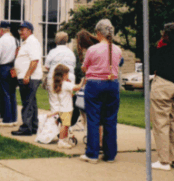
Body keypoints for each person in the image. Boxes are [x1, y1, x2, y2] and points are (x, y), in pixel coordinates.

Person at [79, 19, 122, 164]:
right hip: (113, 84)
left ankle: (92, 153)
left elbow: (85, 67)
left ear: (98, 33)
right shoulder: (117, 50)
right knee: (110, 119)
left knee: (93, 119)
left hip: (95, 85)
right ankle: (110, 155)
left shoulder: (93, 49)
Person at [150, 23, 174, 171]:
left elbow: (153, 65)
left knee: (161, 122)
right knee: (173, 122)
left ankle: (164, 160)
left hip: (164, 84)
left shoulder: (162, 50)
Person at [11, 21, 43, 136]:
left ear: (29, 30)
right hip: (27, 76)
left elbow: (34, 60)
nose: (20, 32)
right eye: (20, 30)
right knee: (31, 103)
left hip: (30, 77)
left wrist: (27, 75)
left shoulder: (32, 42)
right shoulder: (26, 43)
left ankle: (26, 128)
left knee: (27, 103)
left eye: (23, 30)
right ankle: (33, 126)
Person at [50, 64, 84, 148]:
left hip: (63, 108)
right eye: (67, 74)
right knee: (64, 125)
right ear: (64, 75)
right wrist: (83, 81)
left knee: (66, 125)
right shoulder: (65, 84)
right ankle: (61, 141)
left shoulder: (60, 84)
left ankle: (64, 139)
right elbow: (77, 88)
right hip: (66, 109)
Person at [0, 21, 18, 126]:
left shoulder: (1, 40)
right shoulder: (15, 40)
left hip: (3, 67)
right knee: (12, 93)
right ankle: (13, 118)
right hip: (12, 67)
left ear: (2, 30)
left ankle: (7, 119)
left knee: (4, 94)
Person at [45, 32, 76, 113]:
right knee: (67, 103)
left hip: (54, 78)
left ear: (56, 41)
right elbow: (73, 67)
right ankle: (65, 124)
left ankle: (55, 123)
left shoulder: (52, 52)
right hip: (68, 79)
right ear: (66, 41)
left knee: (54, 103)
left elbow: (47, 66)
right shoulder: (71, 53)